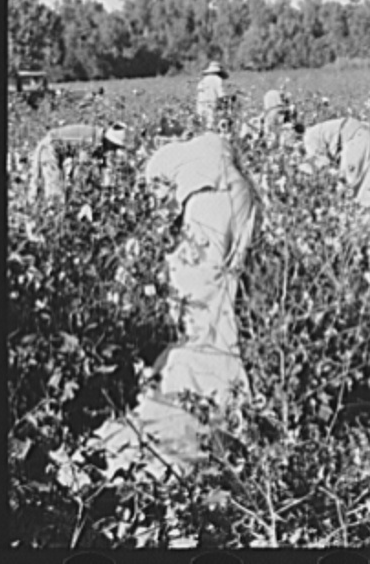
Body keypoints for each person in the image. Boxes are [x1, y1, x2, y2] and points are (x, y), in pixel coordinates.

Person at [95, 131, 261, 477]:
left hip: (210, 200)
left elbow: (166, 212)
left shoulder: (158, 168)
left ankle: (208, 369)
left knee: (197, 287)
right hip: (244, 197)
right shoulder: (208, 146)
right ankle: (228, 367)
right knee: (226, 284)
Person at [301, 116, 370, 235]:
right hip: (367, 135)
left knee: (347, 190)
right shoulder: (320, 129)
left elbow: (324, 166)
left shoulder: (309, 138)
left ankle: (352, 231)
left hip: (354, 140)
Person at [28, 122, 128, 204]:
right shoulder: (91, 140)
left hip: (56, 151)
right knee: (55, 191)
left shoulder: (98, 140)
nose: (114, 151)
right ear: (109, 141)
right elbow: (82, 170)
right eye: (114, 147)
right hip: (49, 148)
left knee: (53, 186)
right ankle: (50, 218)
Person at [196, 61, 228, 130]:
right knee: (211, 125)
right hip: (211, 104)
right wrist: (226, 104)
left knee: (201, 124)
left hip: (200, 105)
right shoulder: (217, 79)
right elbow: (221, 95)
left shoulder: (202, 80)